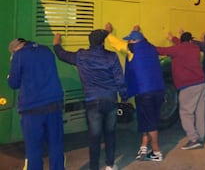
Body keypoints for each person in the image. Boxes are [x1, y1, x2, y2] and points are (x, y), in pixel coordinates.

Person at [53, 30, 128, 170]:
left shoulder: (81, 56)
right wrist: (124, 97)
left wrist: (57, 43)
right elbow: (119, 79)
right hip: (110, 100)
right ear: (102, 42)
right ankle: (110, 165)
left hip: (92, 101)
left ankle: (93, 167)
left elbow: (62, 55)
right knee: (110, 133)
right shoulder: (111, 57)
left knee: (94, 136)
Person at [105, 23, 165, 161]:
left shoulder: (132, 49)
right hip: (158, 90)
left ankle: (156, 152)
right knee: (148, 119)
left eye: (129, 39)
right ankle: (144, 145)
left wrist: (108, 33)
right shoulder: (150, 47)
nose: (127, 41)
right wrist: (136, 31)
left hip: (145, 92)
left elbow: (117, 43)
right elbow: (141, 40)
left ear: (133, 41)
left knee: (150, 123)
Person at [7, 38, 64, 170]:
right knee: (56, 145)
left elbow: (13, 83)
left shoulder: (19, 55)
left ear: (18, 47)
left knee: (34, 148)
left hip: (31, 108)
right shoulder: (46, 50)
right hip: (53, 104)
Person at [156, 31, 205, 150]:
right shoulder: (195, 48)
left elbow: (161, 50)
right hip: (201, 83)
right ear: (190, 40)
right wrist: (174, 38)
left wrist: (144, 45)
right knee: (199, 111)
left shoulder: (177, 49)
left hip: (188, 86)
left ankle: (193, 139)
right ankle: (200, 136)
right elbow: (183, 45)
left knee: (185, 112)